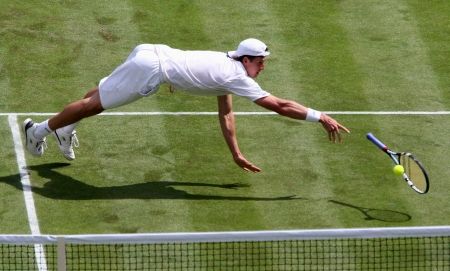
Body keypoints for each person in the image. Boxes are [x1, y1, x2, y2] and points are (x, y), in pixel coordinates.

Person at [23, 38, 350, 173]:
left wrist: (235, 153)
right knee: (93, 105)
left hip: (149, 51)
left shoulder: (229, 67)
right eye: (261, 62)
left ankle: (64, 129)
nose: (263, 67)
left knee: (95, 95)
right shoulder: (238, 77)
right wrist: (318, 116)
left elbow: (226, 112)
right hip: (153, 70)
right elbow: (279, 105)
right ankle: (38, 131)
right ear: (247, 59)